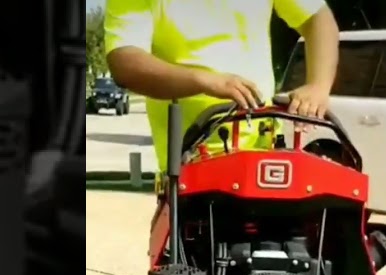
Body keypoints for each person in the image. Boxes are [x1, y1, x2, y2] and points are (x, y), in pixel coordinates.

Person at [104, 0, 340, 173]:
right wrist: (203, 80)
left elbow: (318, 18)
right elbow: (124, 62)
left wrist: (318, 86)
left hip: (264, 152)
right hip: (188, 164)